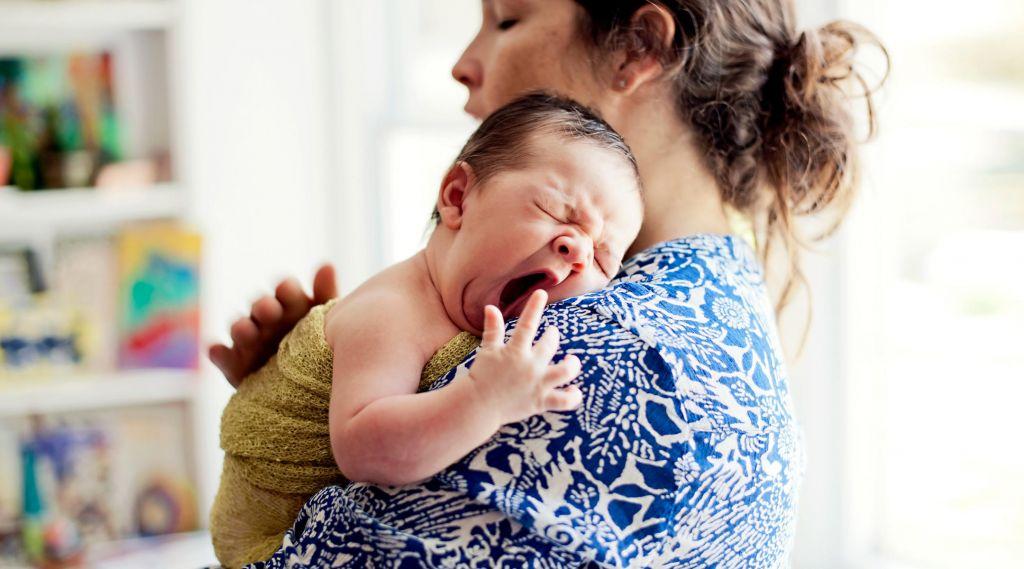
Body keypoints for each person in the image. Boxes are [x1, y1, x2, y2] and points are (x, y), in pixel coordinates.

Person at [209, 1, 887, 566]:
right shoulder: (713, 300)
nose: (462, 65)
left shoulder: (610, 353)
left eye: (507, 20)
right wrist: (298, 389)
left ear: (637, 48)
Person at [209, 94, 644, 568]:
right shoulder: (392, 313)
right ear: (458, 197)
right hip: (265, 542)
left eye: (603, 257)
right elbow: (362, 446)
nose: (577, 250)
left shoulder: (478, 312)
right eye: (558, 211)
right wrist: (484, 399)